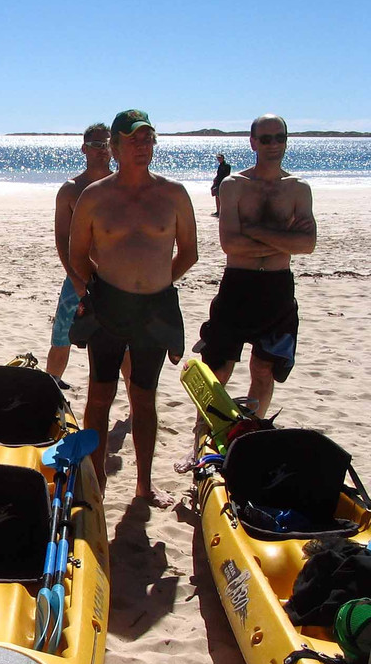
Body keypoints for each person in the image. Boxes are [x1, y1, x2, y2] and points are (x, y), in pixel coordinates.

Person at [68, 110, 198, 507]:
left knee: (144, 396)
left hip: (154, 310)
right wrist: (104, 288)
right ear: (114, 147)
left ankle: (144, 485)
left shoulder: (173, 194)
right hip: (108, 305)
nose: (142, 146)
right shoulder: (95, 196)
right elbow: (77, 255)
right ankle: (96, 480)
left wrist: (156, 282)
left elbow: (189, 252)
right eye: (133, 140)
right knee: (99, 395)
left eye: (148, 139)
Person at [196, 114, 315, 418]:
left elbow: (307, 244)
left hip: (277, 286)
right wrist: (285, 240)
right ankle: (204, 435)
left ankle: (251, 432)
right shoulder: (234, 185)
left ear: (287, 141)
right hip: (238, 284)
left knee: (263, 369)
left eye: (279, 138)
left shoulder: (298, 188)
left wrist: (253, 231)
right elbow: (230, 244)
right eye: (265, 139)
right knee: (217, 369)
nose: (273, 144)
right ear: (253, 143)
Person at [46, 124, 115, 386]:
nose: (102, 150)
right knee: (61, 337)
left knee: (124, 347)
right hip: (79, 275)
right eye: (96, 145)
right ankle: (50, 389)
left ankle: (133, 406)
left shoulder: (121, 187)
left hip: (117, 277)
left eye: (107, 144)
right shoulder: (71, 189)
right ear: (84, 149)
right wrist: (75, 278)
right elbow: (62, 238)